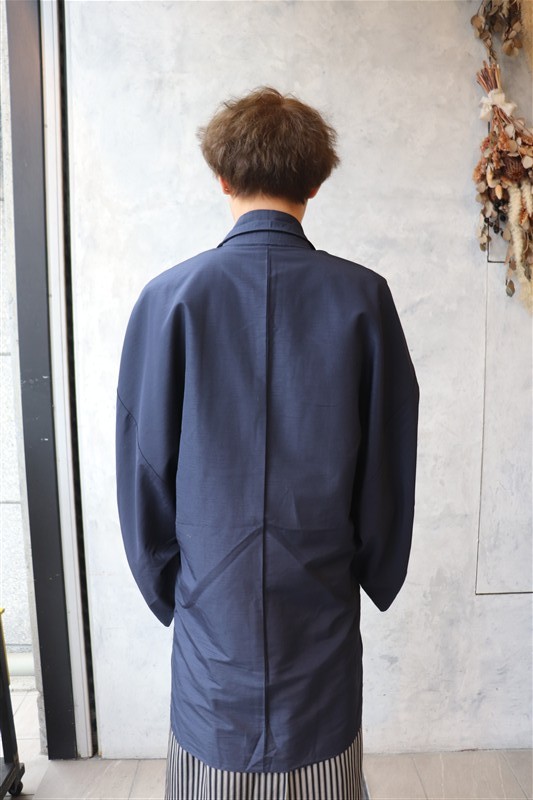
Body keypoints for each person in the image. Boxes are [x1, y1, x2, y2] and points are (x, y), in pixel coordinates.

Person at [115, 86, 419, 800]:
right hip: (319, 599)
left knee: (209, 771)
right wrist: (368, 566)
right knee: (323, 772)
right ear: (315, 184)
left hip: (212, 612)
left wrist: (178, 582)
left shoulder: (169, 299)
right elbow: (387, 461)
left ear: (222, 177)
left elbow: (143, 466)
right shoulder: (363, 299)